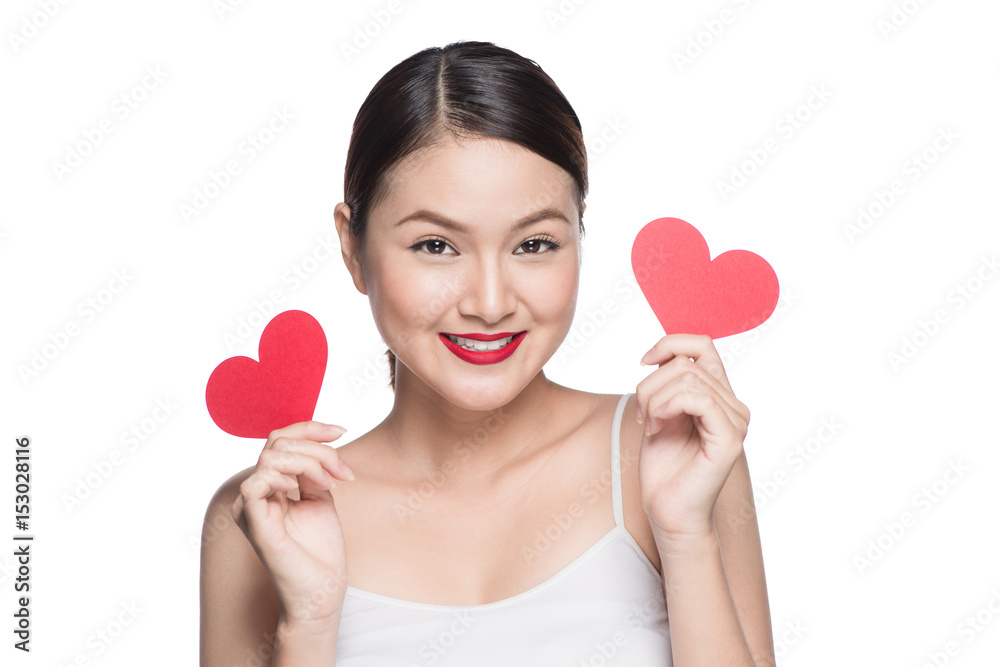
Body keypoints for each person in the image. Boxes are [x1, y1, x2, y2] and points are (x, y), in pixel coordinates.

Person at [201, 40, 774, 666]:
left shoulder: (675, 452)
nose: (491, 302)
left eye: (533, 244)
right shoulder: (263, 514)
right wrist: (307, 625)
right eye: (436, 245)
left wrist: (686, 536)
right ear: (352, 248)